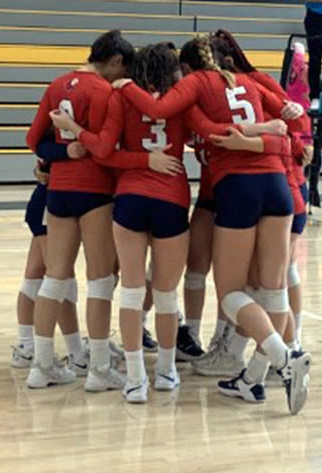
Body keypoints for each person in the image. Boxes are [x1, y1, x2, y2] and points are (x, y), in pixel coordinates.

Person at [113, 36, 314, 415]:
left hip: (238, 188)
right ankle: (256, 375)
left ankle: (283, 357)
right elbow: (290, 131)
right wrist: (267, 126)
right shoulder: (250, 82)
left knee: (232, 294)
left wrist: (125, 86)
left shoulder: (193, 89)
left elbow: (193, 123)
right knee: (273, 289)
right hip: (279, 189)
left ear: (187, 69)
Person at [50, 42, 243, 403]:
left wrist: (138, 160)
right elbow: (211, 130)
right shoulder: (182, 102)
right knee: (167, 295)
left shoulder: (121, 98)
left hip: (129, 200)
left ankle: (136, 379)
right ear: (172, 72)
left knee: (133, 293)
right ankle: (167, 371)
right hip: (171, 200)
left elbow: (105, 152)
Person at [24, 30, 134, 391]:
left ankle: (41, 367)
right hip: (94, 190)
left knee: (55, 277)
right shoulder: (105, 92)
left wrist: (61, 153)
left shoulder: (56, 84)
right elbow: (105, 148)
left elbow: (33, 140)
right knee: (101, 279)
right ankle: (99, 370)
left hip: (58, 191)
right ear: (116, 61)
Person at [11, 132, 88, 380]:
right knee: (61, 278)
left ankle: (26, 347)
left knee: (35, 275)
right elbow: (40, 147)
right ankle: (77, 355)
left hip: (44, 202)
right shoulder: (63, 135)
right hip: (48, 205)